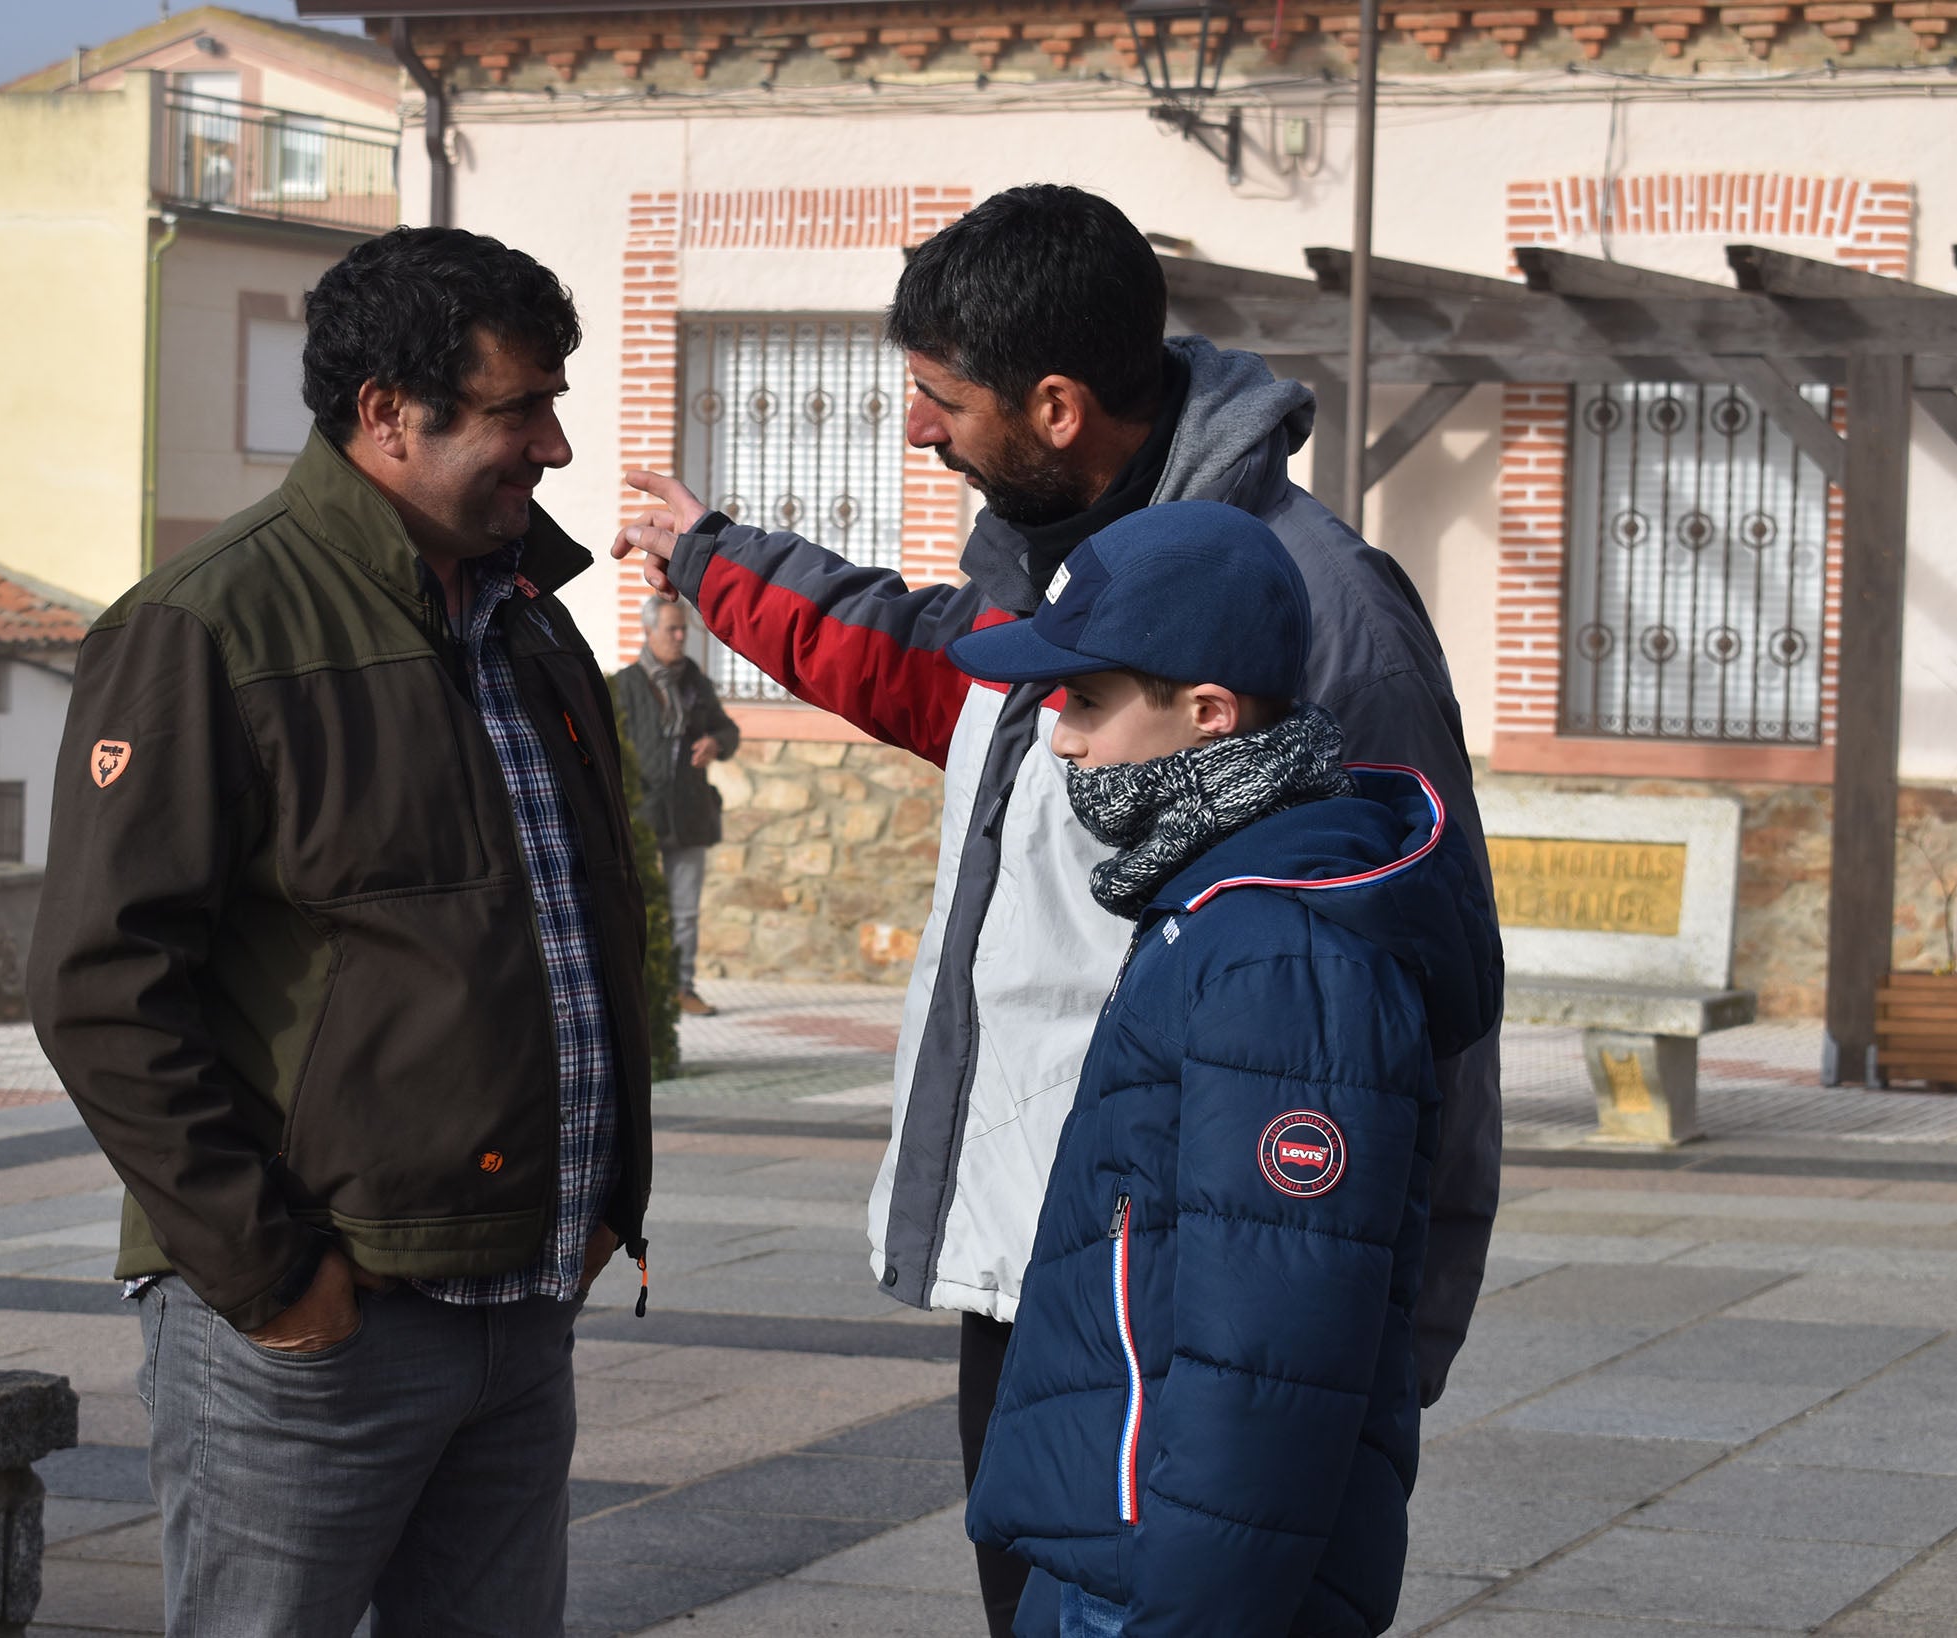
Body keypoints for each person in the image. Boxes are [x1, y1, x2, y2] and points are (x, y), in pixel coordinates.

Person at [613, 182, 1502, 1634]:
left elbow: (1423, 967)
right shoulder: (1052, 575)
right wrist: (716, 557)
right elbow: (911, 663)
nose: (914, 430)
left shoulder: (1318, 607)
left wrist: (1391, 1341)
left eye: (935, 399)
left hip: (1203, 1292)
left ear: (1058, 406)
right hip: (1043, 1255)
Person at [27, 226, 652, 1638]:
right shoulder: (206, 626)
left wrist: (604, 1189)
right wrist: (272, 1275)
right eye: (518, 408)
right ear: (386, 412)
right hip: (317, 1331)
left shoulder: (532, 624)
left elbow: (572, 924)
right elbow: (99, 985)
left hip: (522, 1300)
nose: (554, 446)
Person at [948, 500, 1500, 1638]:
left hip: (1172, 1582)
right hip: (1128, 1547)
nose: (1064, 739)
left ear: (1208, 714)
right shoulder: (1215, 905)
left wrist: (1183, 1615)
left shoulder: (1281, 955)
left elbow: (1272, 1357)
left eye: (1090, 701)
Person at [614, 595, 741, 1016]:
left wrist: (716, 743)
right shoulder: (626, 685)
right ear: (649, 632)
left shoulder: (695, 682)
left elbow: (728, 729)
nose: (681, 636)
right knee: (643, 907)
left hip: (690, 813)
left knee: (684, 911)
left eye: (684, 628)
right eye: (672, 629)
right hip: (642, 817)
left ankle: (682, 988)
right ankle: (641, 991)